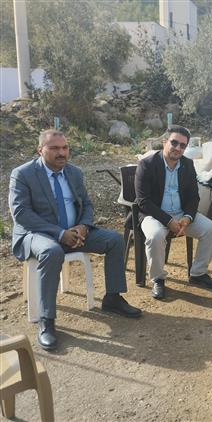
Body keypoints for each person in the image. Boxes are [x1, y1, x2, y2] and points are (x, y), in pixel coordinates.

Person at [9, 129, 142, 351]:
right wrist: (60, 234)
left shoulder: (74, 172)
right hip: (37, 235)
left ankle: (112, 298)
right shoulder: (23, 174)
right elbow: (21, 214)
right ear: (40, 150)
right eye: (54, 148)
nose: (61, 153)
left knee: (114, 240)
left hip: (74, 232)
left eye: (65, 148)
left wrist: (83, 226)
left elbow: (86, 204)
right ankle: (46, 319)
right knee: (52, 251)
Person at [134, 125, 212, 299]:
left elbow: (194, 197)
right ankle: (158, 279)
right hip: (154, 215)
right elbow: (143, 201)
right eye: (174, 143)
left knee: (210, 229)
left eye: (182, 145)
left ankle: (198, 273)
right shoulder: (147, 164)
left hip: (181, 215)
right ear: (165, 142)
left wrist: (187, 217)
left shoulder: (187, 164)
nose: (178, 148)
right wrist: (168, 221)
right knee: (155, 236)